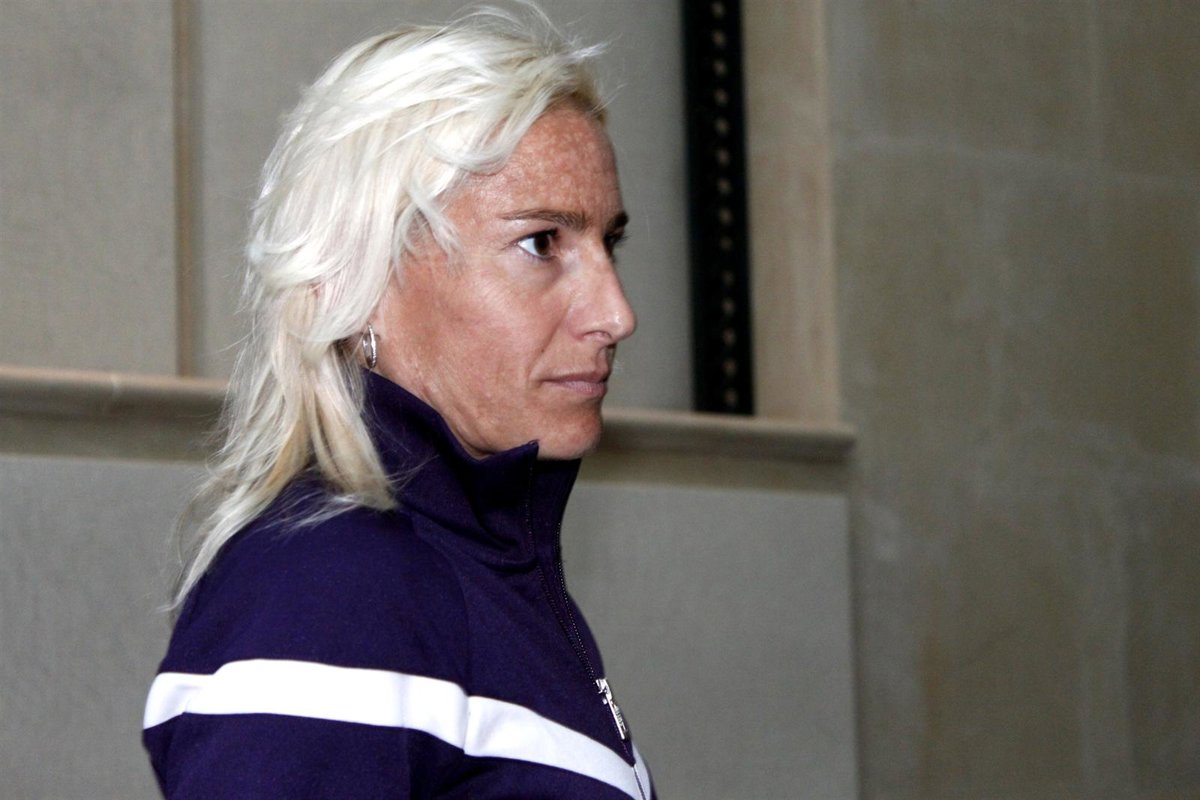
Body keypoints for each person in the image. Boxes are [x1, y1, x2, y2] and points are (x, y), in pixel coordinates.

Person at [142, 9, 653, 799]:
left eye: (607, 243)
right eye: (541, 243)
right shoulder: (327, 590)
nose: (616, 314)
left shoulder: (475, 571)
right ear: (367, 275)